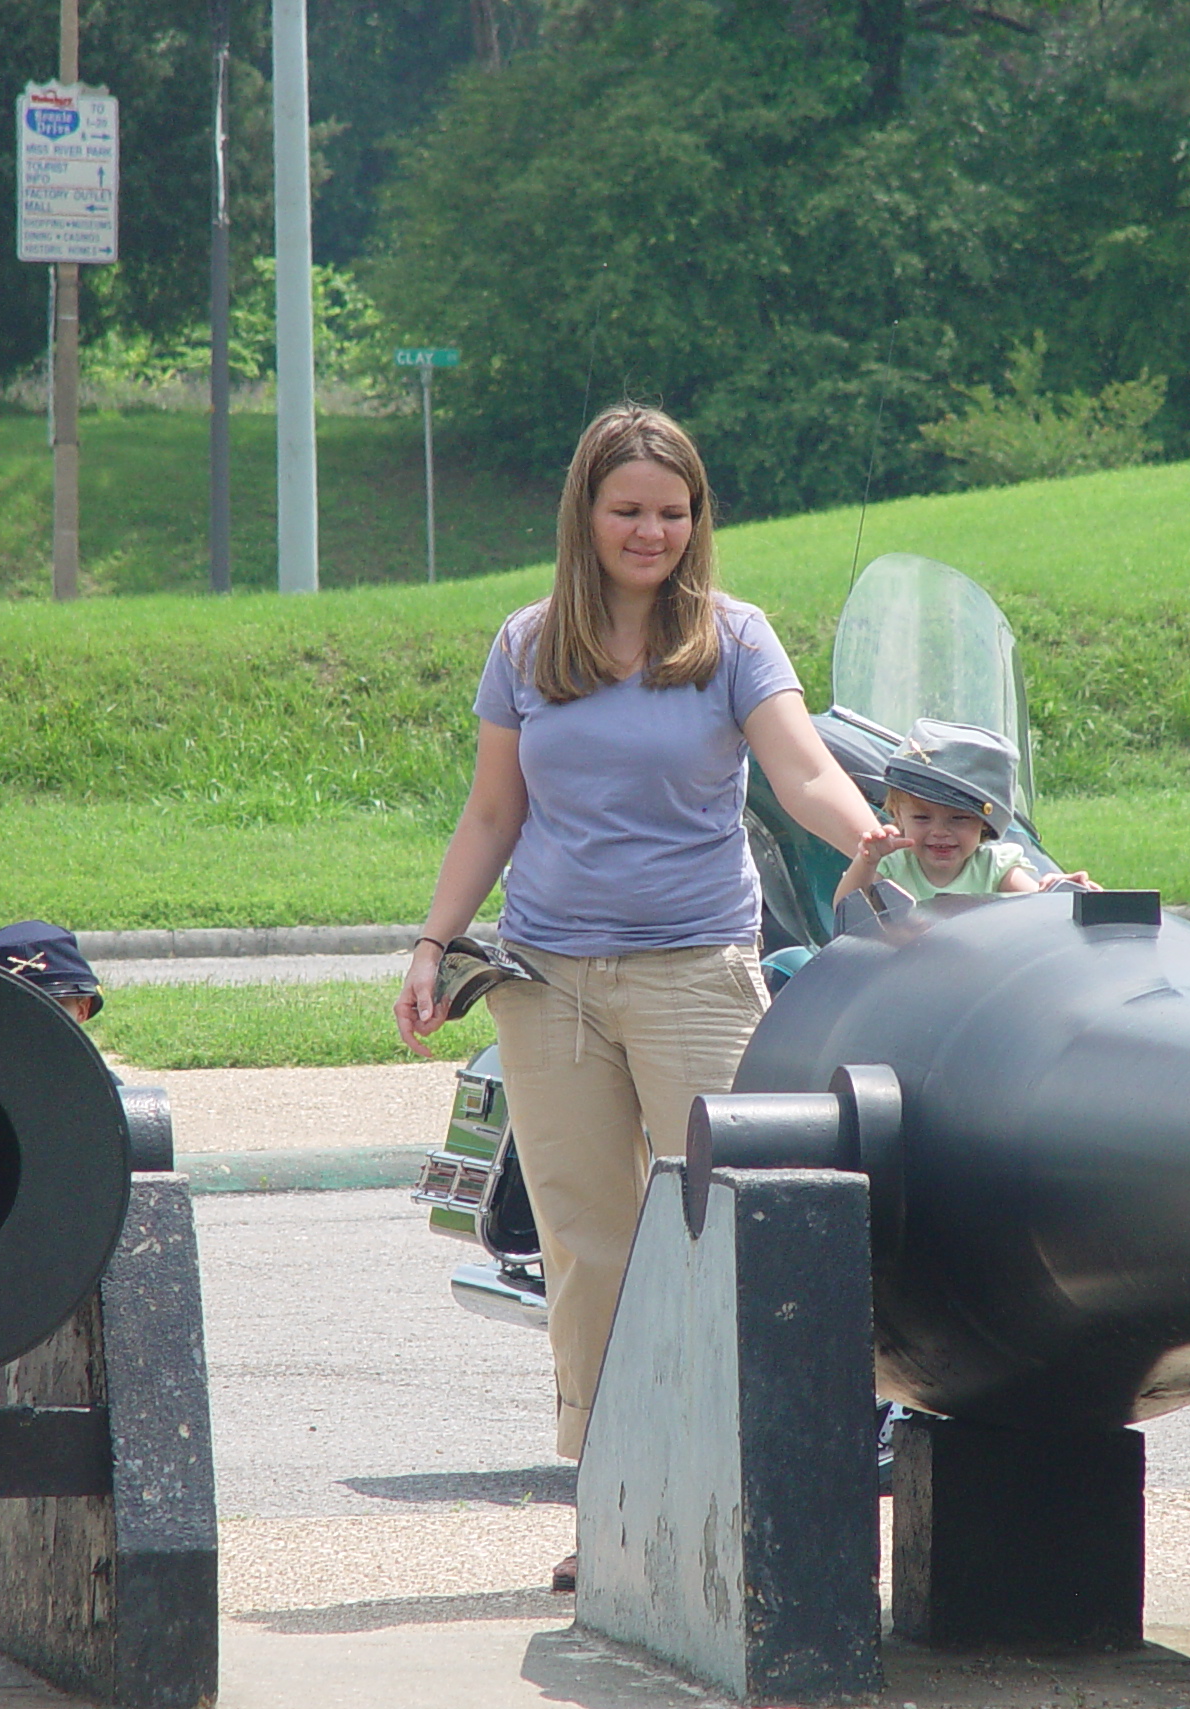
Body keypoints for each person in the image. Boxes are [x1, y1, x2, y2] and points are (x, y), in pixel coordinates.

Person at [393, 404, 901, 1591]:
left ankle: (739, 1486)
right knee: (588, 1243)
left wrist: (862, 827)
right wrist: (432, 941)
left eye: (672, 513)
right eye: (628, 509)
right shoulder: (527, 647)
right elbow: (491, 815)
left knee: (725, 1231)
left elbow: (800, 767)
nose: (651, 532)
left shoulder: (733, 639)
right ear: (585, 511)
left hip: (695, 974)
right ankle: (610, 1502)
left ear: (697, 519)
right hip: (547, 980)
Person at [0, 920, 106, 1609]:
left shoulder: (105, 1098)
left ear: (83, 1011)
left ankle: (99, 1555)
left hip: (83, 1283)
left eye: (57, 1006)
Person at [831, 719, 1071, 908]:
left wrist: (1058, 893)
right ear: (898, 815)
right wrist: (866, 861)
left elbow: (1041, 910)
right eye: (922, 818)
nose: (940, 832)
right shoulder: (893, 866)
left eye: (959, 818)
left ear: (985, 823)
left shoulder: (994, 867)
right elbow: (845, 908)